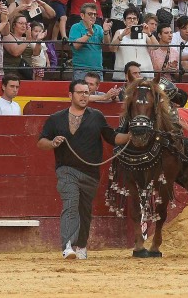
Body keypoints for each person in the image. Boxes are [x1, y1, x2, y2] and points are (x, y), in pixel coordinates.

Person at [37, 79, 131, 260]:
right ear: (70, 95)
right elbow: (41, 142)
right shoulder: (56, 118)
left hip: (90, 174)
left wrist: (129, 137)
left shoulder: (96, 116)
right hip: (66, 169)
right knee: (70, 204)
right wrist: (52, 142)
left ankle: (80, 245)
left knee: (84, 211)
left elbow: (111, 137)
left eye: (86, 93)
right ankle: (68, 246)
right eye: (80, 92)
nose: (83, 96)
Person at [69, 2, 109, 80]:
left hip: (98, 69)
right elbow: (76, 46)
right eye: (90, 14)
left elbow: (106, 44)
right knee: (81, 91)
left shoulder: (99, 28)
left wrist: (106, 32)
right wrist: (89, 34)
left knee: (97, 92)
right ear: (82, 15)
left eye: (95, 14)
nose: (93, 16)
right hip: (81, 70)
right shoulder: (76, 27)